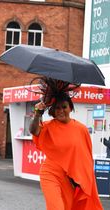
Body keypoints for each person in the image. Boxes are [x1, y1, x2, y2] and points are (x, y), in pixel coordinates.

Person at [29, 77, 103, 210]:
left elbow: (86, 157)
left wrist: (84, 179)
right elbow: (34, 130)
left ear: (70, 108)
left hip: (69, 180)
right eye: (57, 108)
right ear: (53, 111)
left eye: (64, 107)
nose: (61, 110)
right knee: (56, 207)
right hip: (50, 173)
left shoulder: (81, 129)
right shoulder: (48, 126)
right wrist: (37, 113)